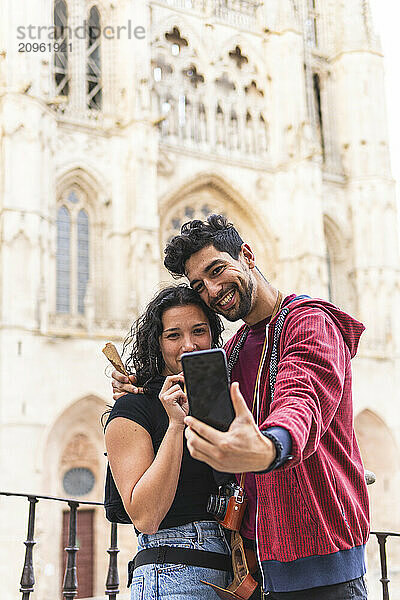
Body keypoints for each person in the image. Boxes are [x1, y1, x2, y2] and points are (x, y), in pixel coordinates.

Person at [113, 215, 370, 600]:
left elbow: (301, 401)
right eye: (199, 285)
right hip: (256, 569)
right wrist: (136, 386)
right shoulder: (231, 353)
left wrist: (270, 446)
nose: (213, 290)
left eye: (218, 270)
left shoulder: (309, 322)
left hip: (321, 563)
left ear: (246, 255)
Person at [104, 284, 232, 600]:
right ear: (158, 344)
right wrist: (176, 424)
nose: (188, 345)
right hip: (173, 570)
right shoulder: (134, 407)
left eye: (199, 331)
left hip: (230, 570)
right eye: (173, 335)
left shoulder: (221, 401)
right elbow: (146, 517)